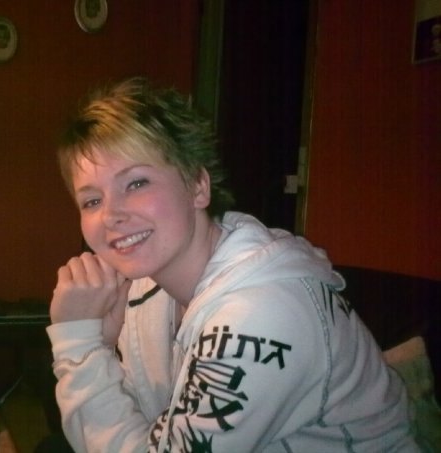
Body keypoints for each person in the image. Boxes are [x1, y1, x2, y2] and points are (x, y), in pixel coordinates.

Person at [46, 77, 418, 452]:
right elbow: (139, 420)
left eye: (136, 183)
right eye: (92, 201)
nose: (110, 215)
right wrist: (101, 347)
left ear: (198, 186)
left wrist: (77, 342)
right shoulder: (146, 289)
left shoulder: (261, 315)